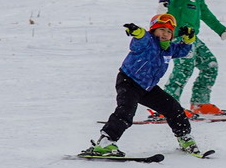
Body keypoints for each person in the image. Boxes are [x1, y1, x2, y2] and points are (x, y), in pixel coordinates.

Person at [81, 13, 205, 157]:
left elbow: (184, 50)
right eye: (162, 29)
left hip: (148, 88)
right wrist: (136, 31)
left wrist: (189, 39)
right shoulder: (147, 41)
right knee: (126, 111)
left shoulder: (169, 48)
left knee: (173, 108)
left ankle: (185, 138)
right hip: (129, 82)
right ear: (153, 30)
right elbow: (140, 37)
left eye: (169, 31)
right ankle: (105, 141)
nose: (165, 34)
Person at [156, 0, 226, 117]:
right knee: (183, 69)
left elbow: (204, 12)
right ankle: (166, 108)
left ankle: (200, 103)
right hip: (178, 37)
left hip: (192, 38)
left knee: (210, 65)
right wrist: (164, 1)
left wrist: (220, 30)